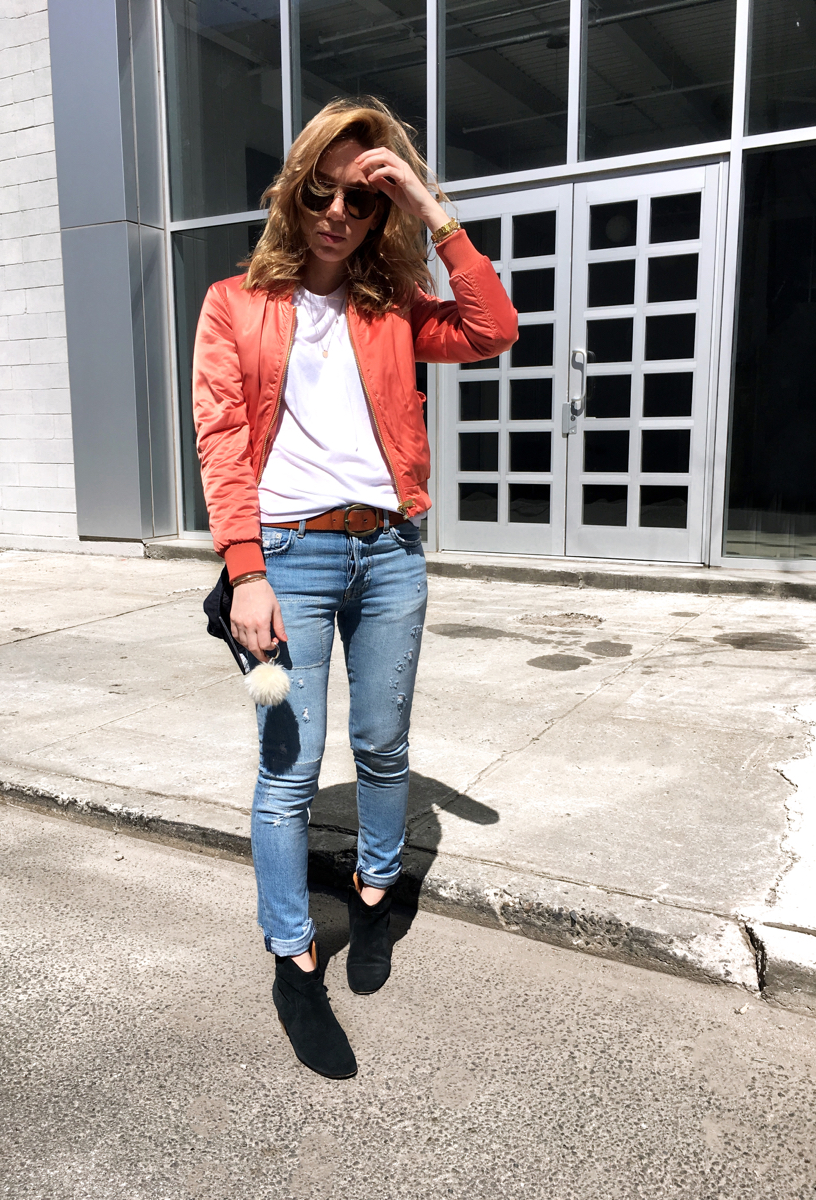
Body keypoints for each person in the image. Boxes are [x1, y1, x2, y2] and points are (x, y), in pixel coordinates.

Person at [191, 96, 517, 1079]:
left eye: (362, 200)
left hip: (389, 559)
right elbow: (222, 438)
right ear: (295, 191)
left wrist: (423, 198)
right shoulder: (233, 303)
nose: (340, 212)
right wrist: (244, 570)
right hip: (282, 562)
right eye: (323, 190)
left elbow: (493, 327)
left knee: (382, 746)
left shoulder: (392, 308)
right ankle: (293, 951)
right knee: (286, 767)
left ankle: (377, 895)